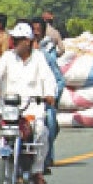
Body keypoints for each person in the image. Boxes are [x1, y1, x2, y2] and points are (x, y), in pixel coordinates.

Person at [0, 22, 57, 184]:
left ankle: (37, 171)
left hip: (32, 108)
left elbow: (48, 78)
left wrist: (49, 94)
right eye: (13, 39)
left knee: (41, 131)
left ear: (28, 41)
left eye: (18, 39)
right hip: (8, 108)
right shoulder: (7, 57)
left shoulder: (39, 58)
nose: (14, 42)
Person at [31, 17, 65, 175]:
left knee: (49, 123)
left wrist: (53, 97)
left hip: (42, 99)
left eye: (39, 30)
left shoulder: (46, 54)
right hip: (24, 101)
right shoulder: (13, 56)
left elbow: (58, 79)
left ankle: (45, 159)